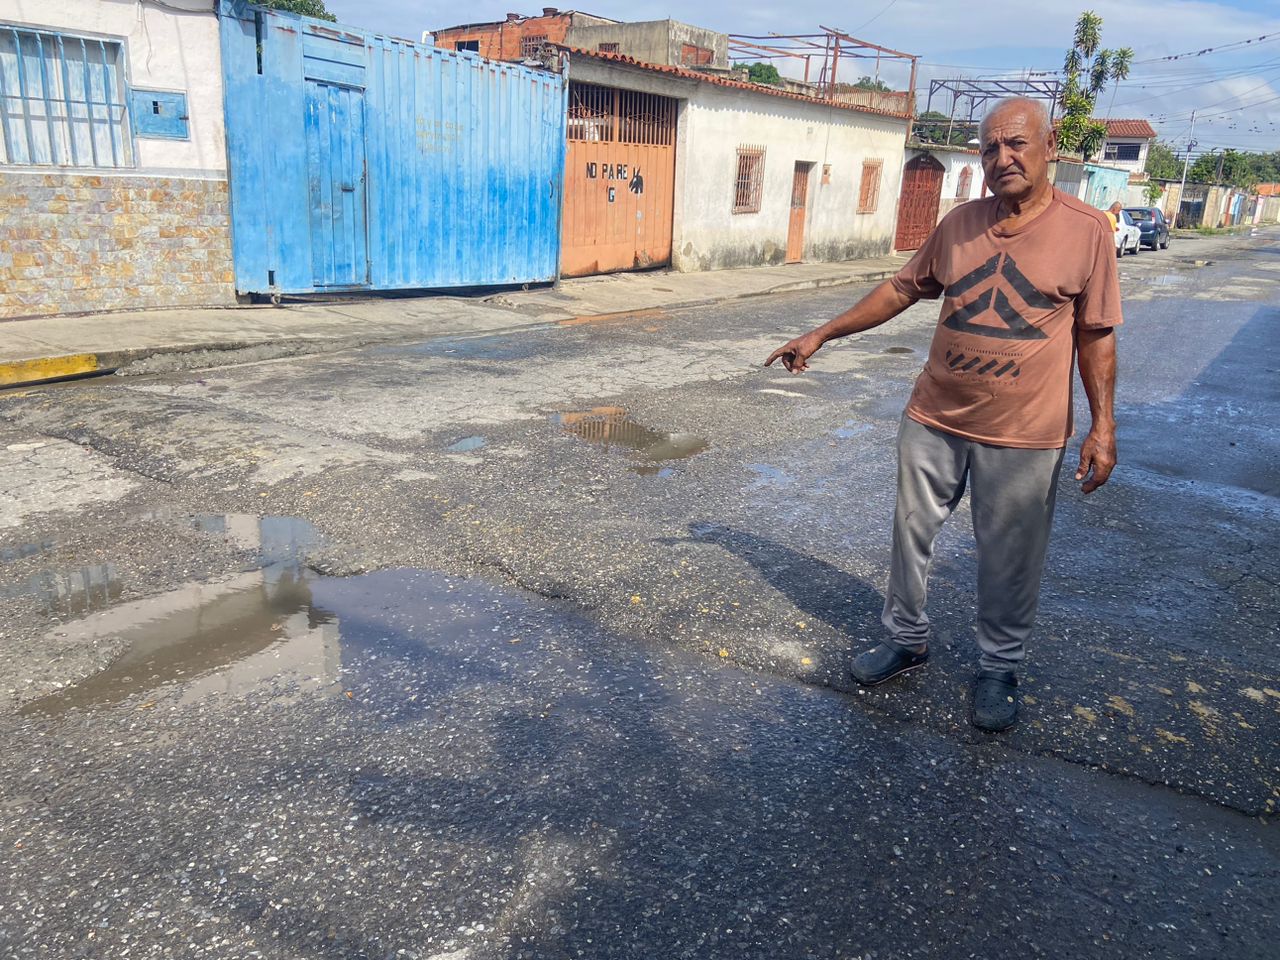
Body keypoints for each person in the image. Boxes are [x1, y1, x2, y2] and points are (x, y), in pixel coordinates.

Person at [764, 96, 1120, 732]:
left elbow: (1096, 332)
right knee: (910, 532)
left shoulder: (1087, 230)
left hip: (1025, 434)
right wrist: (822, 334)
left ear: (1050, 146)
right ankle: (906, 638)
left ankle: (998, 666)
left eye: (1015, 144)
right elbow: (904, 288)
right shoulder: (960, 223)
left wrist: (1103, 426)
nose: (1001, 158)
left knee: (1010, 553)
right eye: (989, 148)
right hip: (934, 414)